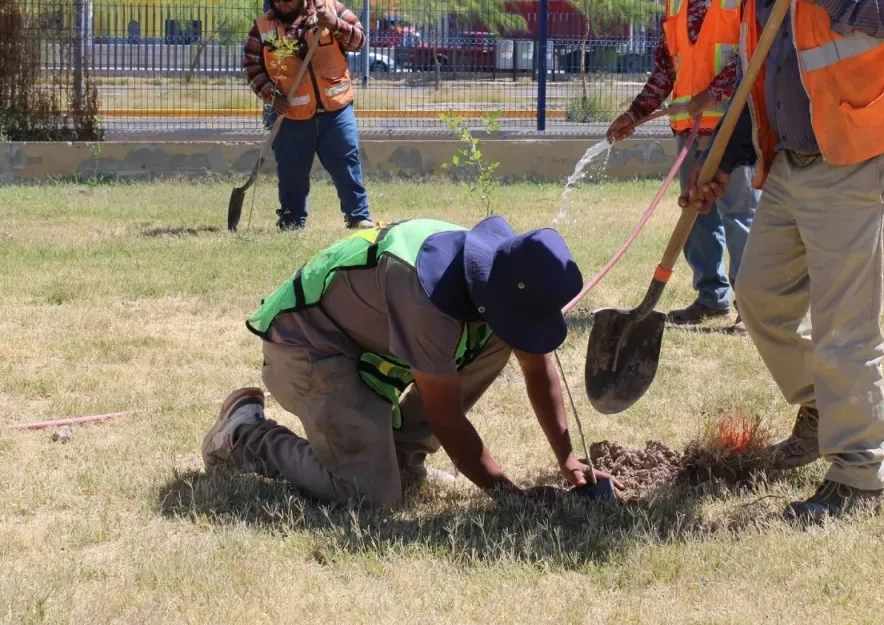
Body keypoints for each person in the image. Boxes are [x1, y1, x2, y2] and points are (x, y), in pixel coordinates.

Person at [681, 0, 884, 524]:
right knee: (759, 296)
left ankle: (857, 479)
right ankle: (823, 403)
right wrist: (726, 158)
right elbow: (768, 76)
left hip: (861, 157)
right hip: (795, 164)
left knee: (845, 331)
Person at [202, 216, 616, 507]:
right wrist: (508, 494)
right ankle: (244, 436)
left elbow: (535, 364)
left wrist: (566, 457)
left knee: (498, 339)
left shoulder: (494, 272)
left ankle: (401, 459)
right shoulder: (426, 295)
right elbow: (447, 420)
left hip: (366, 344)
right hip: (306, 345)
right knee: (368, 493)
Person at [606, 0, 759, 330]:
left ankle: (755, 309)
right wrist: (635, 113)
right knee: (696, 212)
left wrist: (713, 94)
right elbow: (666, 67)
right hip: (689, 127)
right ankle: (712, 298)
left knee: (740, 213)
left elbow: (754, 50)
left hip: (735, 125)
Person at [243, 0, 375, 231]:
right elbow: (252, 66)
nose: (281, 4)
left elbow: (359, 41)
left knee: (346, 163)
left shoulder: (331, 8)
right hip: (289, 114)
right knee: (291, 172)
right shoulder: (264, 28)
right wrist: (271, 95)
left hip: (335, 109)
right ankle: (291, 221)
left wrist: (335, 25)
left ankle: (358, 217)